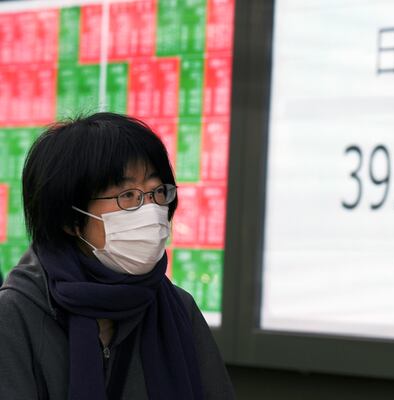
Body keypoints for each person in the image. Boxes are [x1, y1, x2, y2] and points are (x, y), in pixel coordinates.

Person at [0, 113, 235, 399]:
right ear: (70, 218)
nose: (152, 210)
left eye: (157, 192)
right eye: (128, 196)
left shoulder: (176, 307)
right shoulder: (16, 314)